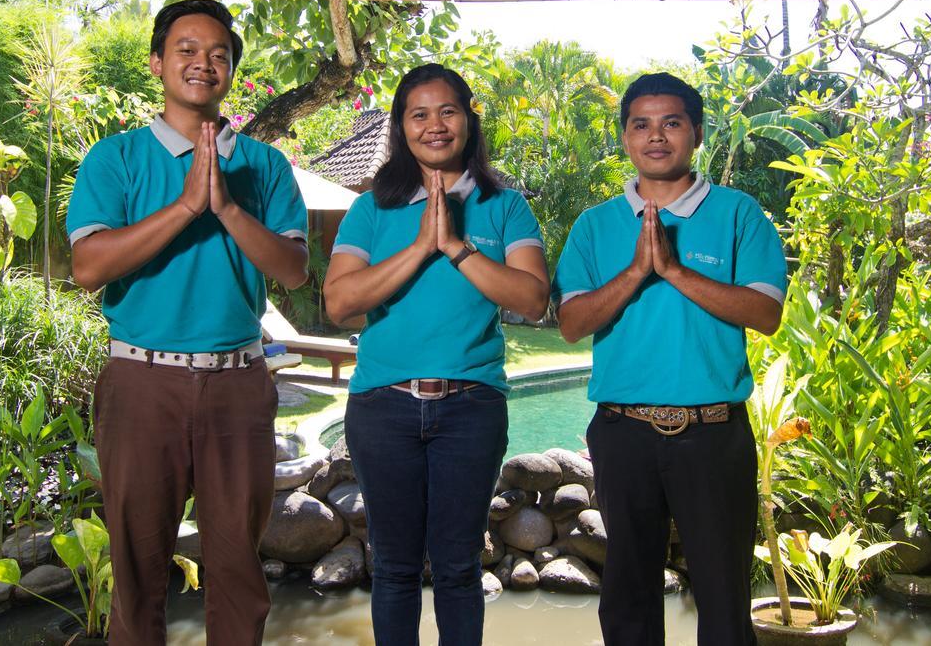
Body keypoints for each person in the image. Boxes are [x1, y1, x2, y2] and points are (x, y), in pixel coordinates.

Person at [65, 0, 308, 646]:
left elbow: (293, 268)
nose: (204, 63)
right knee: (139, 575)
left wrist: (224, 205)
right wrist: (184, 206)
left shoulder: (266, 166)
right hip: (141, 381)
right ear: (157, 63)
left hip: (238, 383)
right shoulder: (114, 159)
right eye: (187, 50)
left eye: (219, 53)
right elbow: (88, 265)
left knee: (236, 573)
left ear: (231, 70)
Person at [553, 72, 787, 646]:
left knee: (724, 598)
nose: (656, 136)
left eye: (672, 123)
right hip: (622, 433)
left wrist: (676, 271)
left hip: (713, 433)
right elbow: (571, 325)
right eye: (641, 125)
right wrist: (636, 272)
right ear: (626, 137)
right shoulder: (594, 225)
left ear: (697, 133)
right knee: (628, 598)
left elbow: (765, 313)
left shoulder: (739, 214)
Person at [323, 63, 549, 646]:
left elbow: (532, 298)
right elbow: (340, 303)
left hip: (470, 408)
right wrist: (421, 245)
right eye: (418, 114)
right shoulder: (372, 208)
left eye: (447, 111)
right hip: (383, 408)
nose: (434, 125)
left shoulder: (504, 206)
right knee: (394, 568)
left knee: (457, 568)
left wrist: (455, 246)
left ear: (469, 119)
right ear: (401, 126)